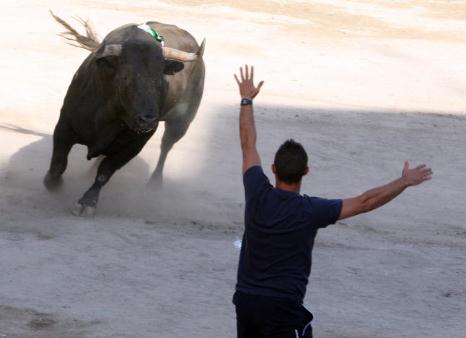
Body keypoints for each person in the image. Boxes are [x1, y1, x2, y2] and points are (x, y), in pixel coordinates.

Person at [232, 65, 433, 338]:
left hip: (245, 301)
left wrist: (247, 100)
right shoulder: (312, 210)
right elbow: (365, 202)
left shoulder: (256, 189)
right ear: (306, 171)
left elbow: (248, 143)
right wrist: (404, 182)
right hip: (281, 307)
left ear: (273, 169)